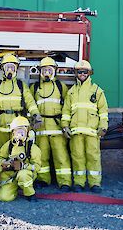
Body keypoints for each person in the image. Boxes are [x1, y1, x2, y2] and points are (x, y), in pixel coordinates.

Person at [0, 54, 42, 176]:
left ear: (16, 69)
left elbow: (30, 101)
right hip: (0, 125)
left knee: (16, 151)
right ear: (2, 69)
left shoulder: (21, 85)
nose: (10, 70)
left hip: (17, 126)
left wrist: (36, 114)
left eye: (12, 67)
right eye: (7, 67)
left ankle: (15, 179)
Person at [61, 60, 108, 193]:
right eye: (79, 72)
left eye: (85, 72)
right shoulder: (71, 92)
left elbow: (103, 112)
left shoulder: (97, 91)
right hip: (76, 133)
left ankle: (95, 184)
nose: (82, 74)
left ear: (89, 73)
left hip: (93, 133)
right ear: (76, 74)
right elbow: (66, 112)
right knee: (77, 157)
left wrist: (103, 127)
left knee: (93, 157)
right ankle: (79, 183)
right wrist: (65, 127)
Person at [30, 57, 71, 190]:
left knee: (61, 156)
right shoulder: (34, 87)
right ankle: (43, 180)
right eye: (44, 70)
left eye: (49, 69)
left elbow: (67, 107)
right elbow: (29, 107)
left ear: (54, 71)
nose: (47, 72)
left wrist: (65, 125)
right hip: (41, 128)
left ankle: (65, 182)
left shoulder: (61, 86)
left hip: (57, 128)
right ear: (40, 72)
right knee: (42, 157)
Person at [0, 116, 41, 202]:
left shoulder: (32, 148)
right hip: (11, 175)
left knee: (23, 175)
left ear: (27, 132)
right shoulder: (8, 145)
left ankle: (30, 194)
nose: (19, 134)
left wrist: (24, 166)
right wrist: (5, 163)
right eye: (17, 131)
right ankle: (15, 188)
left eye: (22, 131)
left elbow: (37, 167)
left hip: (26, 174)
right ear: (13, 132)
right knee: (4, 197)